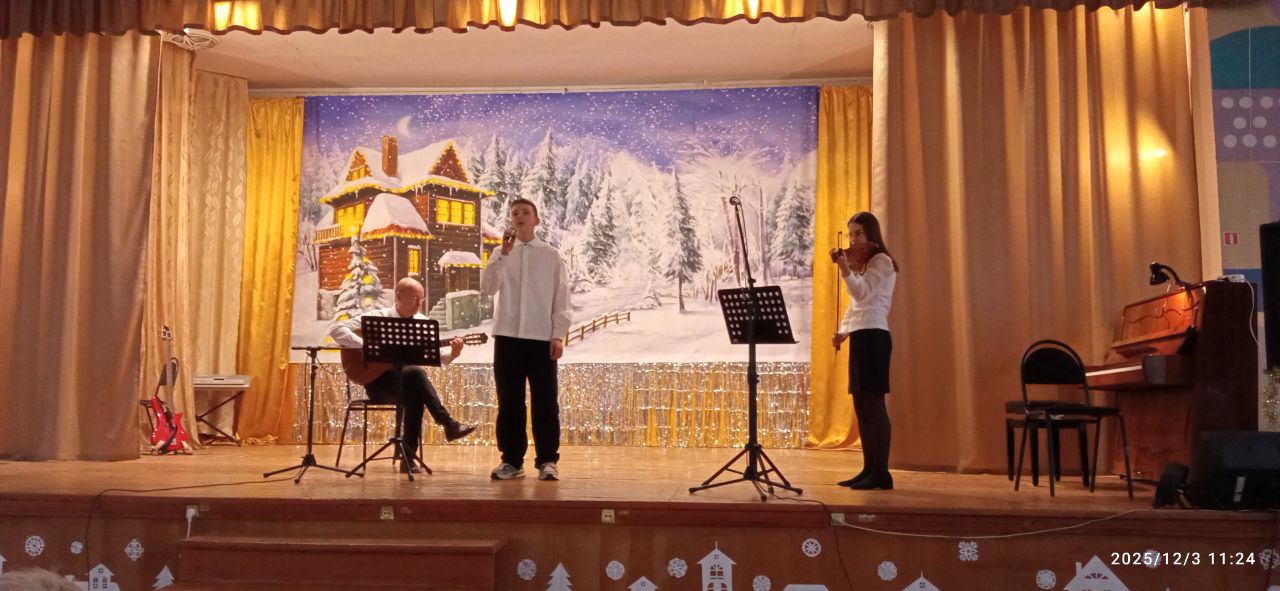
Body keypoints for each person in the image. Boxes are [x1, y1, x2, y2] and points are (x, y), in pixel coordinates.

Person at [328, 277, 476, 473]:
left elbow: (438, 356)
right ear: (398, 296)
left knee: (415, 396)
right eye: (414, 298)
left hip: (405, 384)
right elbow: (336, 329)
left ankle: (408, 459)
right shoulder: (377, 317)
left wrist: (454, 353)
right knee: (416, 372)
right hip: (378, 384)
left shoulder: (422, 323)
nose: (419, 303)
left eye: (421, 299)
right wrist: (369, 347)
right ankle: (447, 423)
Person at [480, 197, 572, 481]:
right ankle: (511, 461)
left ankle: (547, 460)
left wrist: (557, 334)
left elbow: (561, 296)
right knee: (510, 402)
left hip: (540, 337)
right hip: (507, 337)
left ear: (536, 220)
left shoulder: (550, 255)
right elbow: (487, 288)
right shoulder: (501, 252)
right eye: (514, 213)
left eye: (525, 212)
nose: (519, 216)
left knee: (545, 402)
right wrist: (502, 256)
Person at [830, 211, 899, 490]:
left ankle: (881, 472)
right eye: (850, 234)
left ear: (871, 232)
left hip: (875, 337)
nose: (853, 239)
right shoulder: (865, 264)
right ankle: (869, 469)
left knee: (873, 405)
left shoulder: (882, 261)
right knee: (862, 406)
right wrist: (844, 331)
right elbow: (856, 306)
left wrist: (845, 270)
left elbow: (861, 294)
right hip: (862, 336)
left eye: (858, 233)